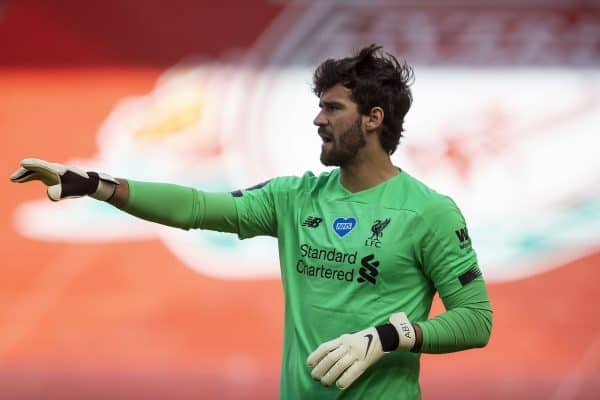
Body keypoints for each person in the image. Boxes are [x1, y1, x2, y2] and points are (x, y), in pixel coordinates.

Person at [11, 44, 492, 399]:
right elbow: (197, 206)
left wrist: (391, 336)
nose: (317, 120)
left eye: (332, 107)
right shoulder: (295, 197)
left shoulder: (429, 212)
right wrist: (96, 183)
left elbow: (476, 321)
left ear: (373, 118)